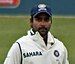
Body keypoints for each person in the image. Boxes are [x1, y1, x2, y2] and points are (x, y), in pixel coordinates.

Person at [4, 4, 69, 64]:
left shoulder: (60, 46)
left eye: (46, 20)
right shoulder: (20, 46)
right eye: (38, 19)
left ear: (51, 22)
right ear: (31, 22)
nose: (43, 24)